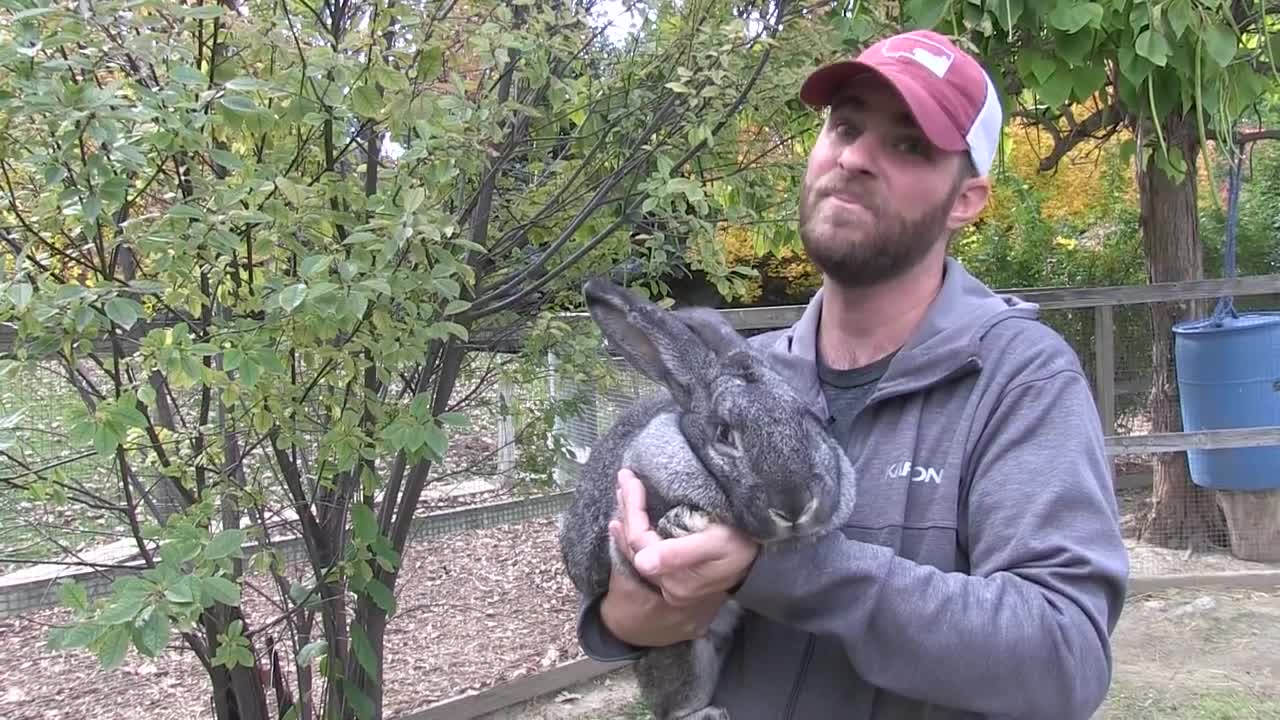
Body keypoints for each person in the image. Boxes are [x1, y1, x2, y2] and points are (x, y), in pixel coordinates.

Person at [573, 28, 1130, 719]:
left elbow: (1061, 658)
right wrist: (632, 609)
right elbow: (632, 611)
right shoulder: (745, 380)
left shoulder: (1019, 377)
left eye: (908, 144)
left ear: (967, 200)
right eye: (845, 126)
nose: (857, 156)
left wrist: (780, 569)